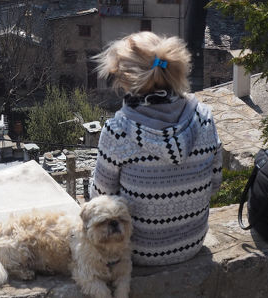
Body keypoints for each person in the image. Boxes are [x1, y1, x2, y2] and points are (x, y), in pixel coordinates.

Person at [90, 31, 222, 266]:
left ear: (125, 79)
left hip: (137, 251)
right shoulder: (204, 117)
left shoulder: (117, 130)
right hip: (191, 242)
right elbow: (214, 185)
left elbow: (100, 200)